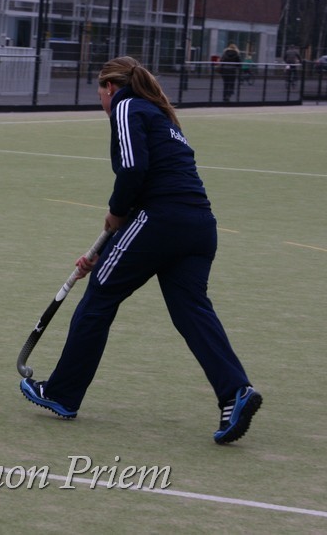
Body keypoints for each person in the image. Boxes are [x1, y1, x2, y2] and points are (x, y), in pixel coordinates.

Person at [20, 56, 261, 445]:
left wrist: (115, 214)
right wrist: (109, 247)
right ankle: (235, 391)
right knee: (191, 311)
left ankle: (62, 393)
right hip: (199, 227)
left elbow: (133, 170)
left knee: (99, 297)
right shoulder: (161, 116)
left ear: (109, 87)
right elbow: (156, 179)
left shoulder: (126, 106)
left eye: (99, 93)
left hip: (159, 221)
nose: (101, 101)